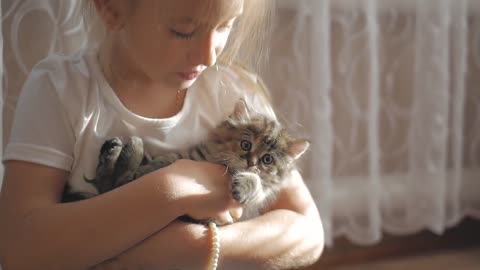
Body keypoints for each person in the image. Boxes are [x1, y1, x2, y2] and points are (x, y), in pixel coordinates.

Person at [0, 0, 324, 269]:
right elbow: (18, 249)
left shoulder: (231, 93)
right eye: (183, 31)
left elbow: (308, 231)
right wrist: (173, 187)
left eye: (226, 26)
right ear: (111, 8)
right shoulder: (60, 89)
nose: (209, 57)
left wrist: (201, 246)